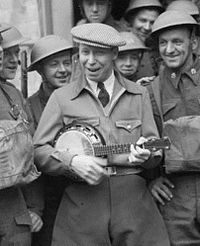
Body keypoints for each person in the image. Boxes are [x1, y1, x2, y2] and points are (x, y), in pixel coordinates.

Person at [33, 23, 170, 246]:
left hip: (133, 202)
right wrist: (72, 161)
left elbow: (155, 149)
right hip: (81, 204)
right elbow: (39, 151)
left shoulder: (138, 94)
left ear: (114, 53)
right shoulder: (61, 97)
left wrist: (148, 156)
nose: (90, 60)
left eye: (99, 53)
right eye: (85, 52)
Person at [147, 10, 200, 245]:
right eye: (163, 43)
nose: (169, 50)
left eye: (177, 41)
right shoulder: (150, 91)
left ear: (194, 43)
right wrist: (151, 178)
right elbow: (150, 141)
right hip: (175, 194)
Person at [27, 34, 73, 246]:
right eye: (54, 64)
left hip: (83, 194)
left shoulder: (83, 99)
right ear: (40, 70)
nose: (63, 70)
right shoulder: (29, 108)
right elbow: (28, 162)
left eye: (67, 62)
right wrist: (34, 208)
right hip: (47, 198)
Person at [0, 24, 42, 245]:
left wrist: (35, 208)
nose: (14, 60)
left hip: (13, 215)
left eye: (16, 53)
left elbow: (30, 155)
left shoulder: (13, 94)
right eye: (6, 53)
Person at [123, 0, 164, 78]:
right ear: (132, 20)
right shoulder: (118, 43)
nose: (147, 27)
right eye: (143, 20)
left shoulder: (158, 47)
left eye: (152, 22)